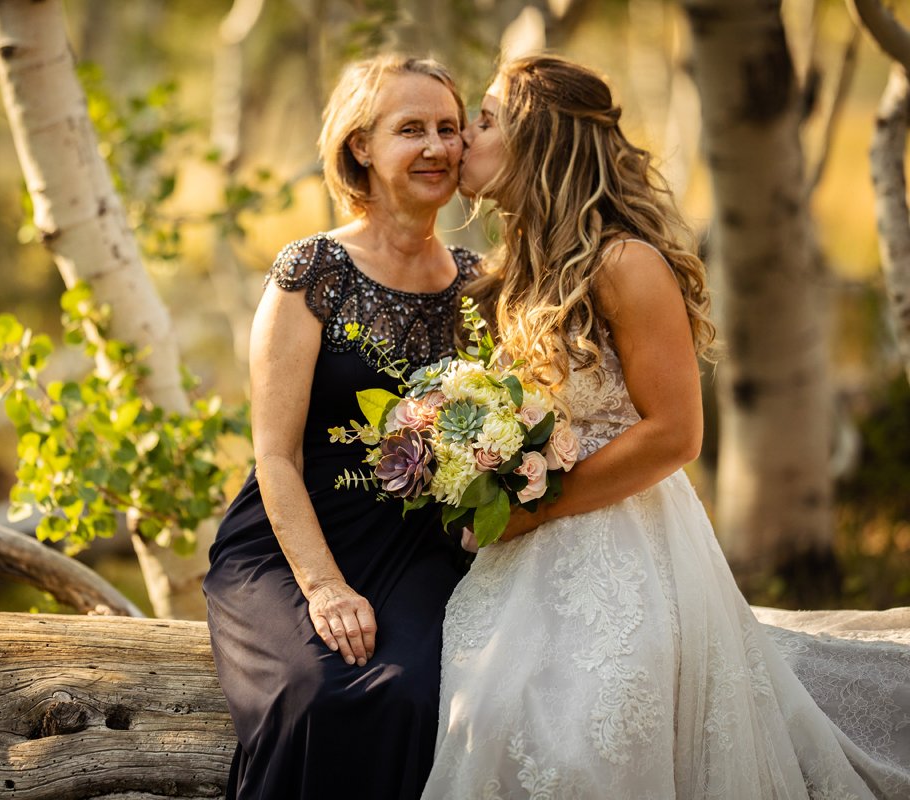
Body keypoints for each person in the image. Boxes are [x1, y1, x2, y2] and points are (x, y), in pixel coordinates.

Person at [421, 55, 910, 799]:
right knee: (485, 710)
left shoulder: (625, 264)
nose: (463, 139)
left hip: (627, 542)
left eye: (485, 121)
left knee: (591, 732)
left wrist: (534, 509)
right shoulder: (513, 269)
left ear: (537, 140)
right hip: (525, 547)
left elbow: (677, 434)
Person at [202, 54, 481, 799]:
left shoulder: (483, 283)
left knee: (416, 696)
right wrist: (324, 588)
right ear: (361, 145)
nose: (437, 148)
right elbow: (275, 456)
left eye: (450, 129)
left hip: (419, 547)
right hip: (291, 537)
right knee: (311, 691)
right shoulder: (313, 271)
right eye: (411, 129)